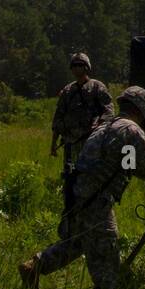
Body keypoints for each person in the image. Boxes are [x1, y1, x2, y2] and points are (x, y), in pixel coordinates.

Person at [20, 86, 145, 289]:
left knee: (79, 242)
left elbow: (132, 164)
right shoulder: (130, 130)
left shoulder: (104, 127)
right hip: (96, 200)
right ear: (143, 110)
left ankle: (35, 266)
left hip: (78, 195)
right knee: (106, 250)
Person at [51, 53, 114, 222]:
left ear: (87, 67)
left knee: (91, 178)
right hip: (71, 144)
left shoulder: (97, 87)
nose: (77, 68)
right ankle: (71, 214)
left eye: (80, 64)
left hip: (91, 143)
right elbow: (58, 117)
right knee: (70, 179)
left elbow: (109, 110)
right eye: (74, 65)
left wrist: (98, 126)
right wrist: (53, 142)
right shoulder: (68, 90)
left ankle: (93, 213)